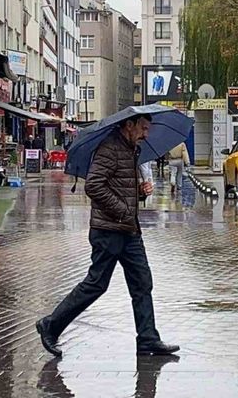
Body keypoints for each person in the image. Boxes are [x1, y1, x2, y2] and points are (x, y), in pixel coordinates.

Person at [37, 114, 179, 358]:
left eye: (148, 129)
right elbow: (93, 186)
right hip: (108, 231)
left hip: (129, 230)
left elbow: (119, 187)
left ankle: (148, 339)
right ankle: (50, 325)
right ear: (129, 125)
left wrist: (140, 192)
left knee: (142, 282)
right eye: (143, 128)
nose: (146, 134)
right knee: (96, 284)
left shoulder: (130, 150)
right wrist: (122, 209)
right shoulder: (110, 149)